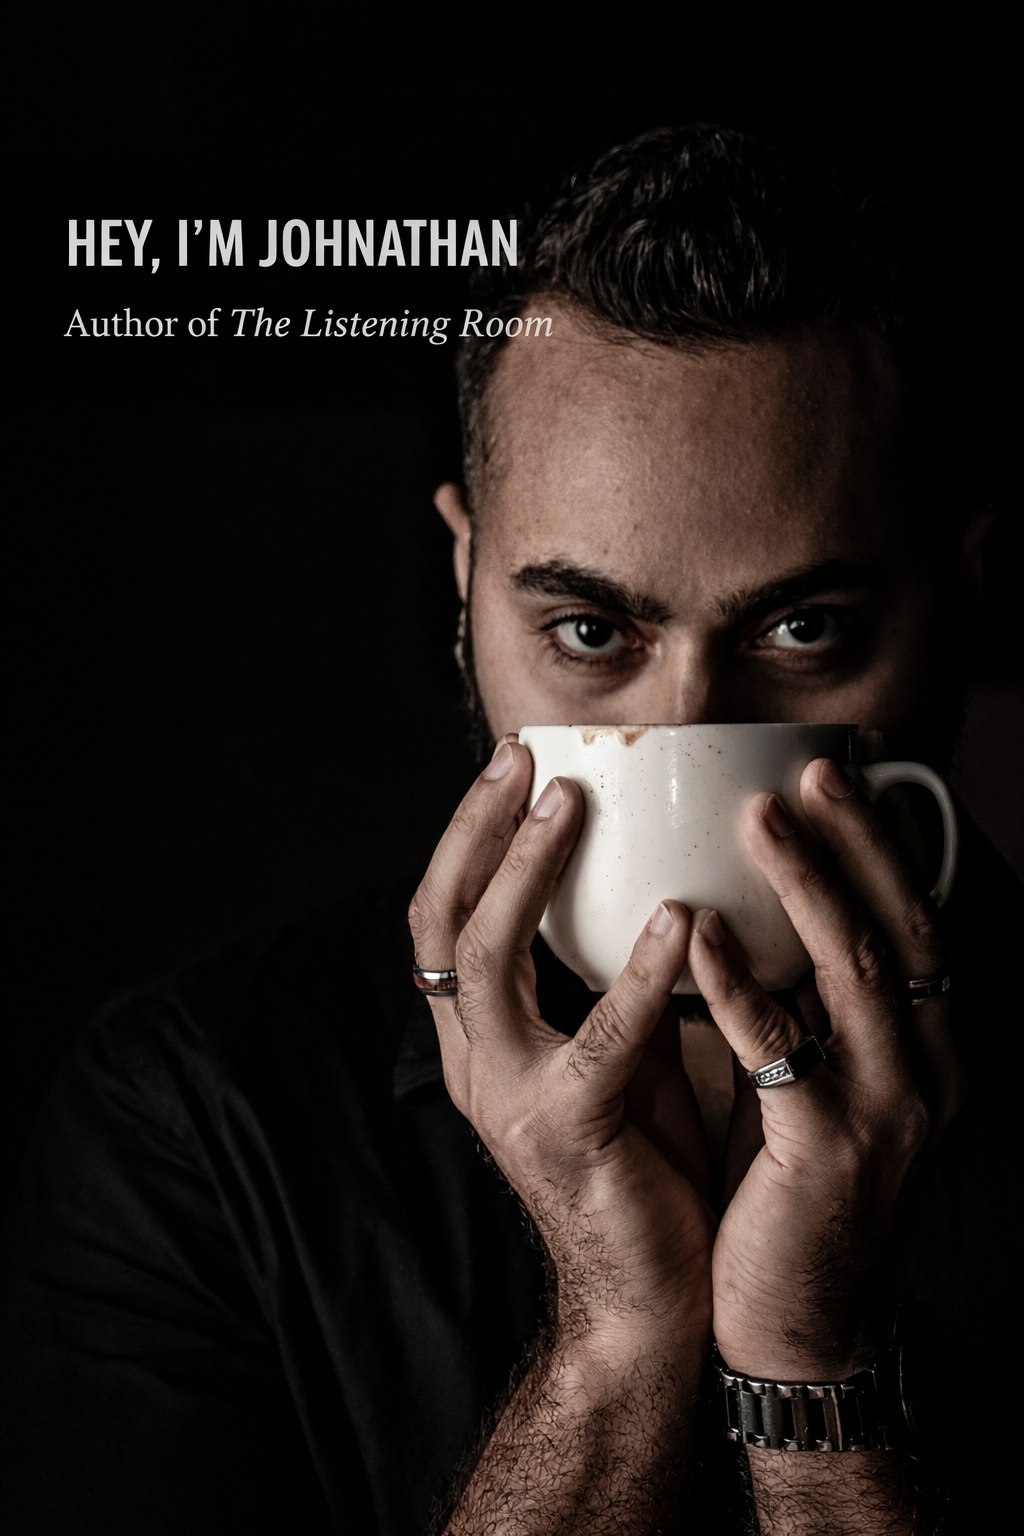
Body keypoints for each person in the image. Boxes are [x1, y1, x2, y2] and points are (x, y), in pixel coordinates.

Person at [1, 125, 1018, 1535]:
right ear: (467, 581)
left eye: (804, 628)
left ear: (959, 606)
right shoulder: (195, 1125)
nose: (683, 736)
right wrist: (614, 1346)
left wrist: (813, 1372)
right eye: (590, 630)